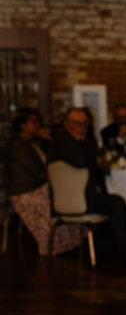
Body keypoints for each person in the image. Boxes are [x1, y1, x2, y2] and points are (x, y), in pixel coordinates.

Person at [48, 107, 126, 262]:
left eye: (84, 124)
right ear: (67, 124)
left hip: (86, 195)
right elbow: (80, 160)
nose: (81, 127)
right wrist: (98, 160)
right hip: (75, 199)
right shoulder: (61, 140)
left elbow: (95, 157)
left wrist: (99, 160)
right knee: (116, 202)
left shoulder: (84, 141)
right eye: (76, 123)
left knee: (119, 198)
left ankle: (122, 248)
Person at [5, 108, 80, 256]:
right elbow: (37, 172)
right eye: (33, 121)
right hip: (26, 192)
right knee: (57, 199)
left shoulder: (32, 144)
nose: (37, 125)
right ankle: (54, 245)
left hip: (37, 187)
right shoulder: (17, 146)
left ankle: (70, 242)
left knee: (66, 195)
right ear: (22, 125)